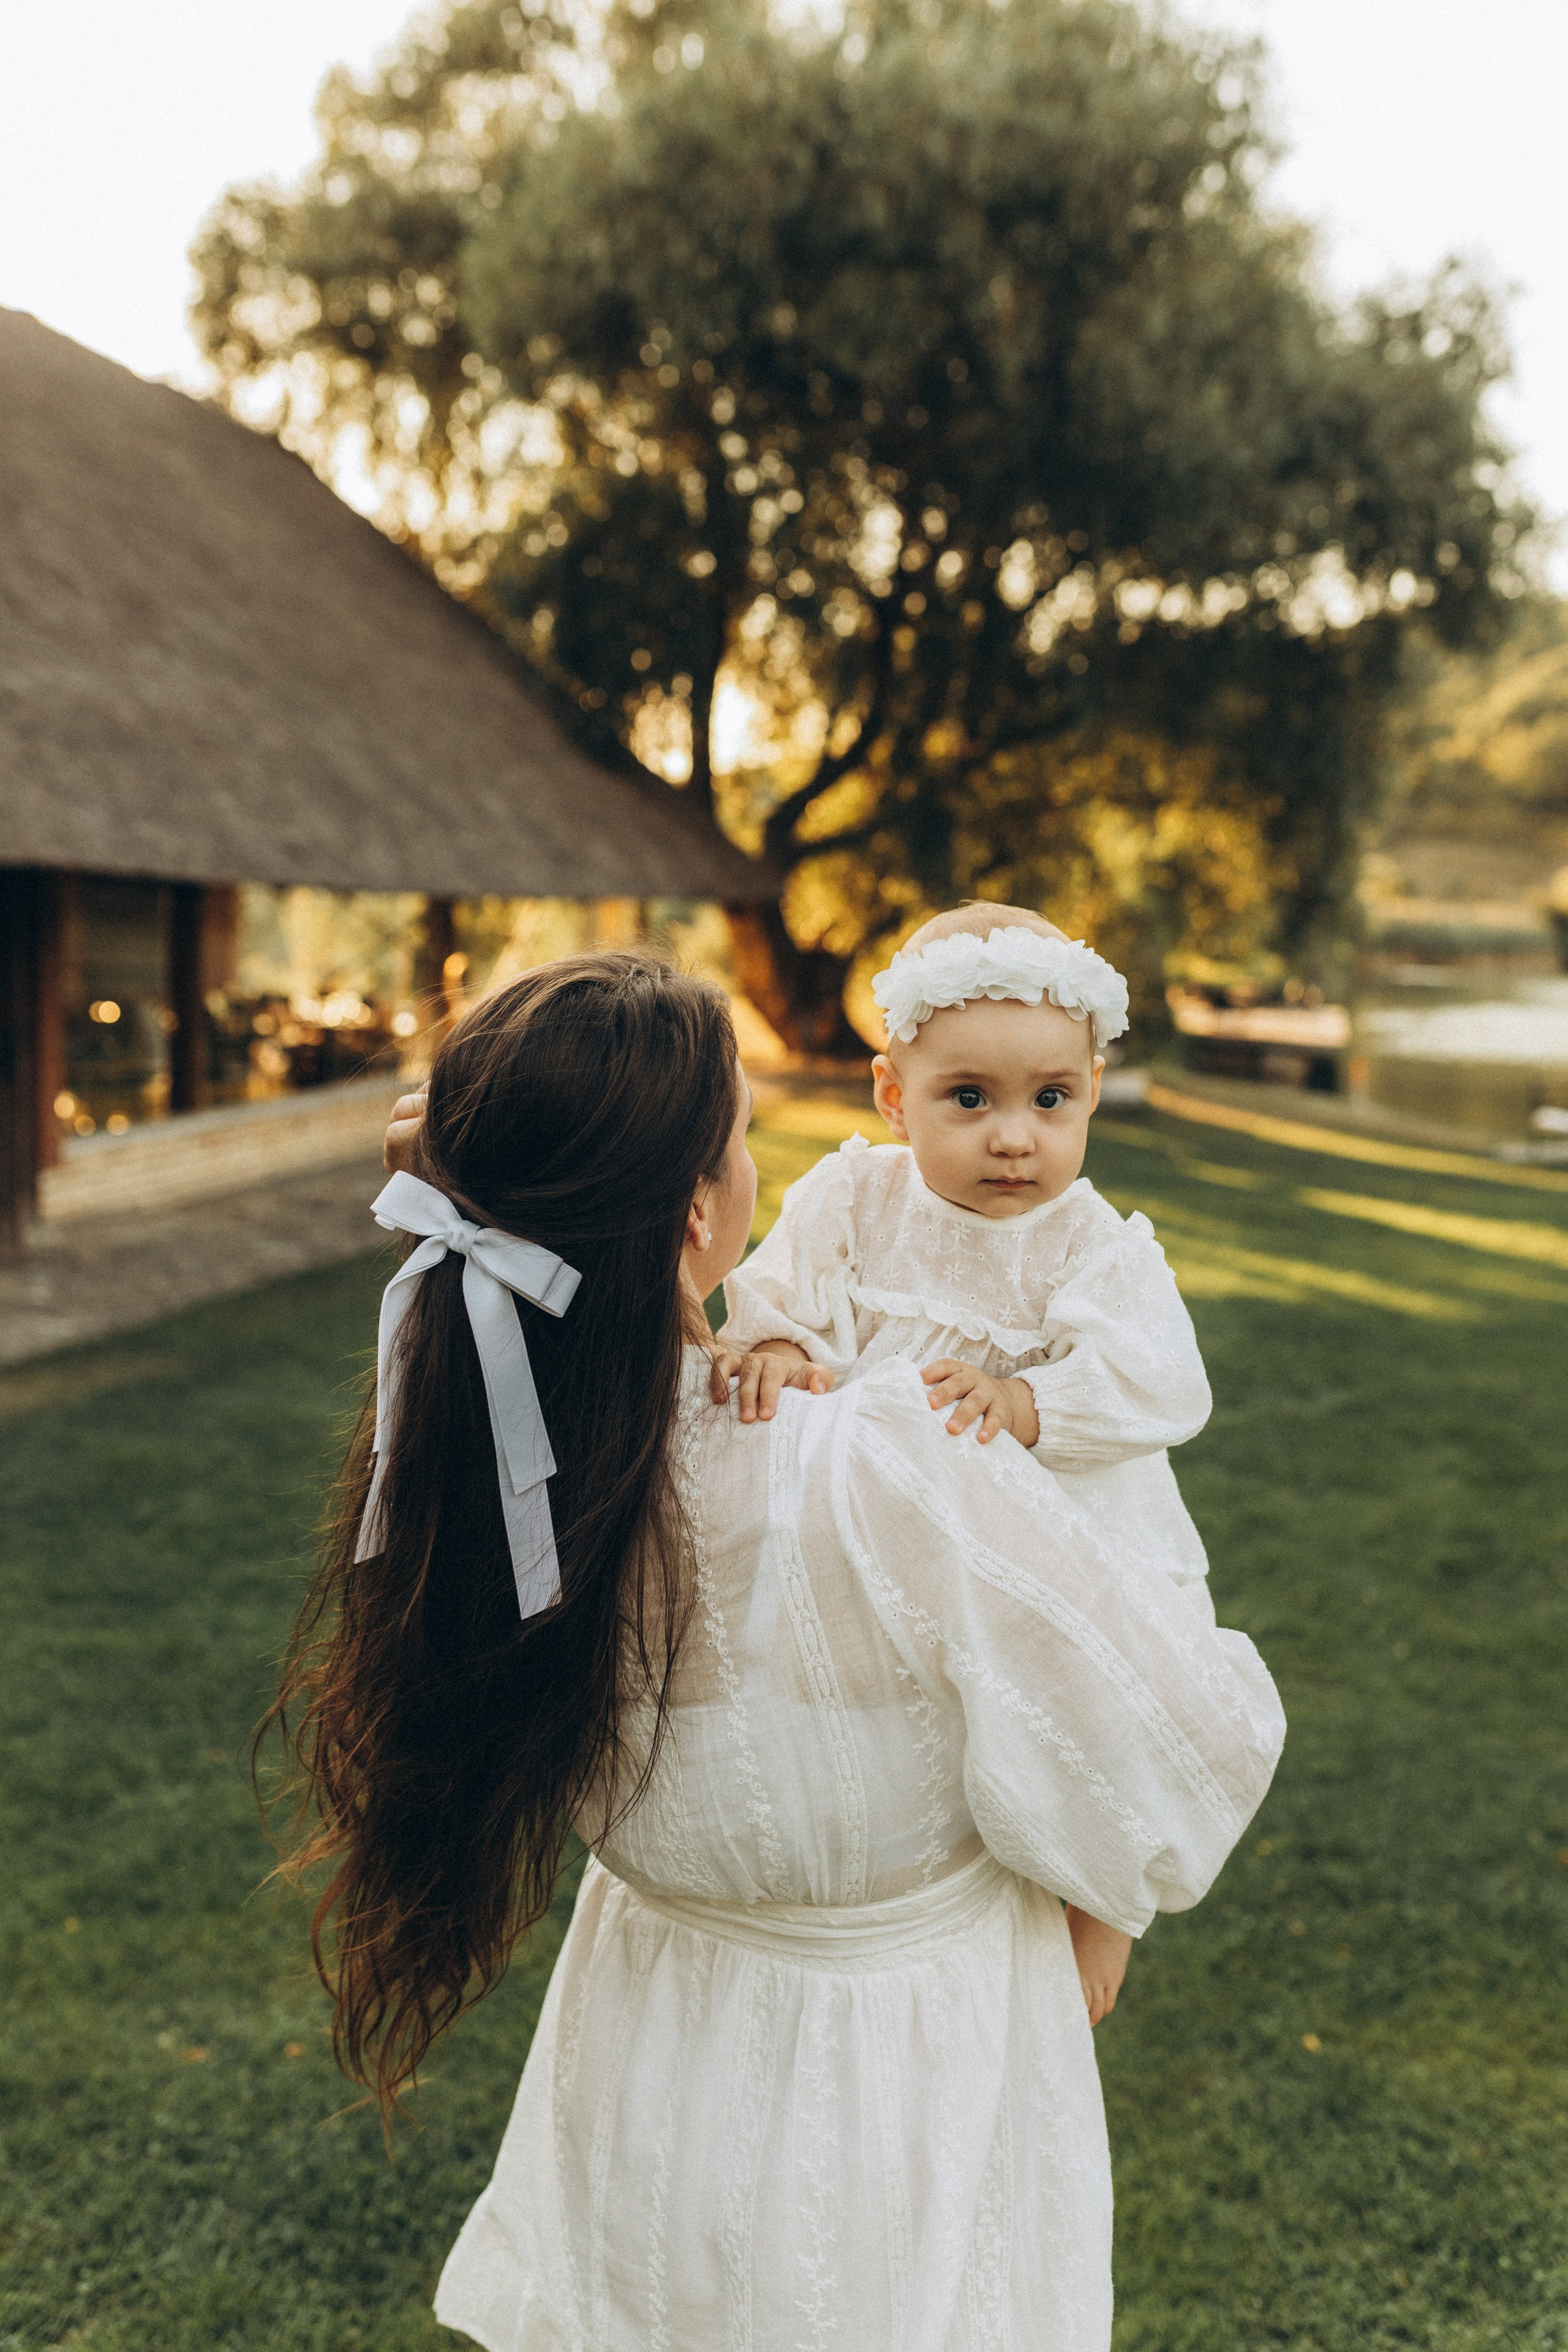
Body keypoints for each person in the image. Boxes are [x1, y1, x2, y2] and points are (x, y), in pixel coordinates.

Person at [282, 949, 1283, 2352]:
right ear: (700, 1212)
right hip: (907, 2079)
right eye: (746, 1139)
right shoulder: (892, 1464)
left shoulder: (505, 1466)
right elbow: (1181, 1756)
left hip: (651, 2035)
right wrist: (1105, 1894)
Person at [715, 903, 1218, 2024]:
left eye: (1052, 1101)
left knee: (1090, 1683)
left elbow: (1161, 1379)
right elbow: (783, 1292)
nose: (1014, 1137)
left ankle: (1107, 1902)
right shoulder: (853, 1196)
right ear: (895, 1097)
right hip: (884, 1509)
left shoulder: (1090, 1243)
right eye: (970, 1100)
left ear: (1090, 1089)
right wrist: (785, 1345)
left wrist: (1029, 1400)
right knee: (910, 1690)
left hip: (1057, 1515)